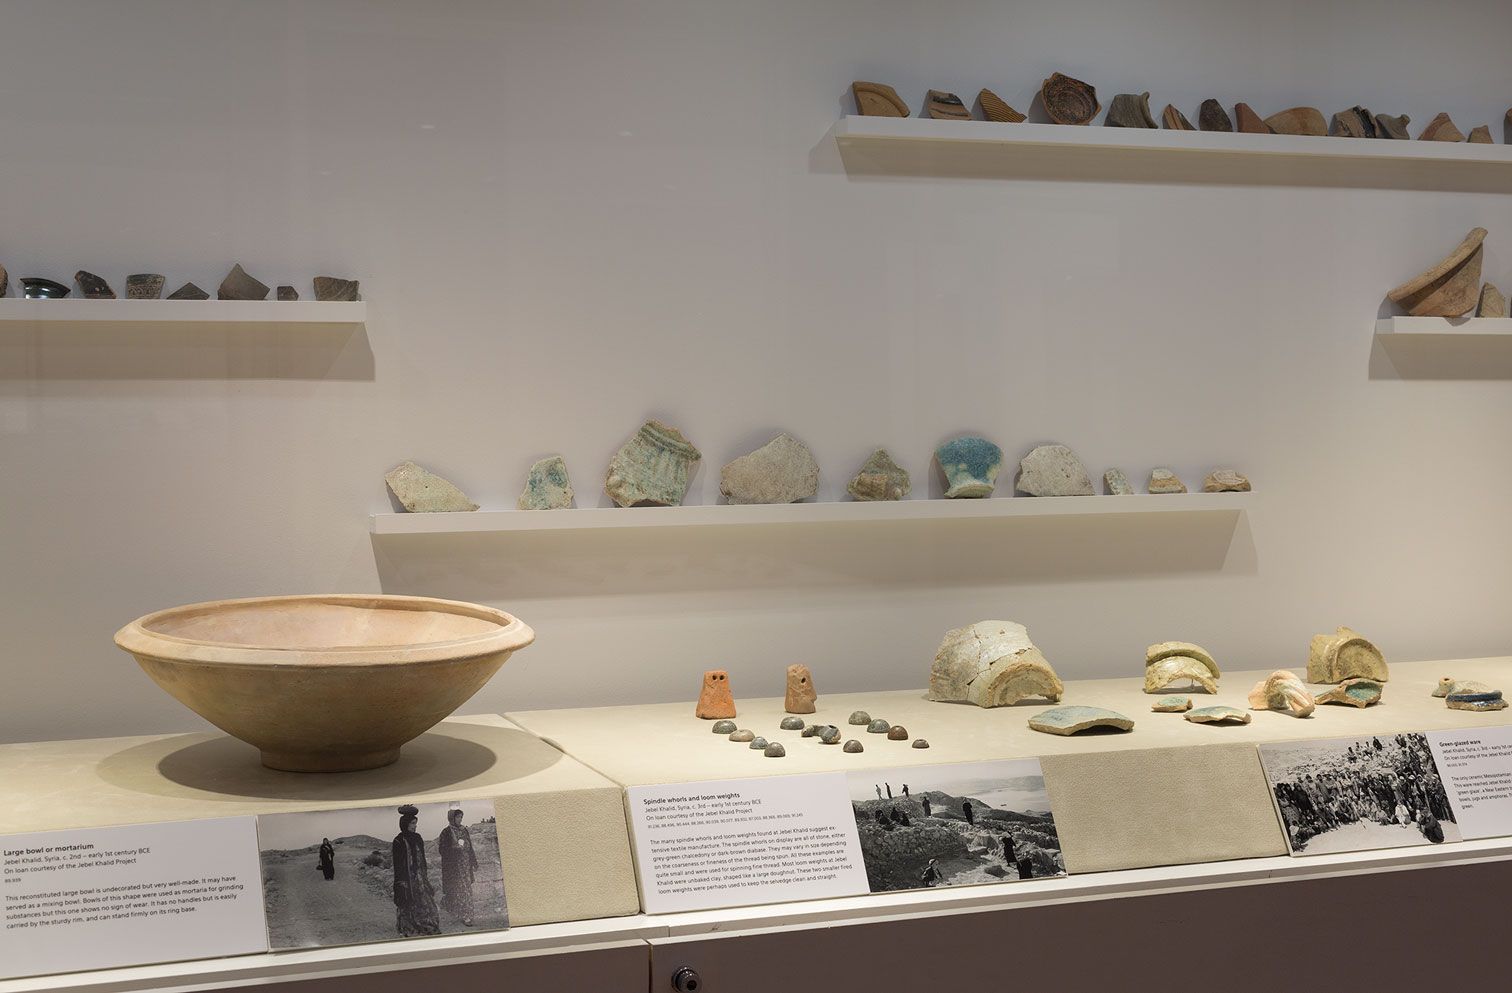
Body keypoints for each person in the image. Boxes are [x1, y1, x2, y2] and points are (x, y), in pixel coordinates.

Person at [392, 804, 440, 936]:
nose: (415, 826)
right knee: (407, 905)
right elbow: (398, 866)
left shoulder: (418, 838)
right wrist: (401, 884)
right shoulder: (398, 841)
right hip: (407, 879)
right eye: (413, 823)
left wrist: (424, 877)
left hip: (420, 879)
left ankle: (427, 926)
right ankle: (409, 929)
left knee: (426, 904)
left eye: (415, 823)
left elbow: (422, 860)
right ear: (405, 823)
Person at [437, 807, 479, 926]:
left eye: (461, 817)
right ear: (452, 818)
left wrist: (474, 862)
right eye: (457, 817)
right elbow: (442, 850)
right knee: (459, 891)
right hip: (455, 868)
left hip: (465, 866)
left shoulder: (464, 830)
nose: (460, 819)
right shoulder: (446, 832)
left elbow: (470, 847)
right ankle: (464, 916)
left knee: (467, 890)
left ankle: (468, 915)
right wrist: (454, 849)